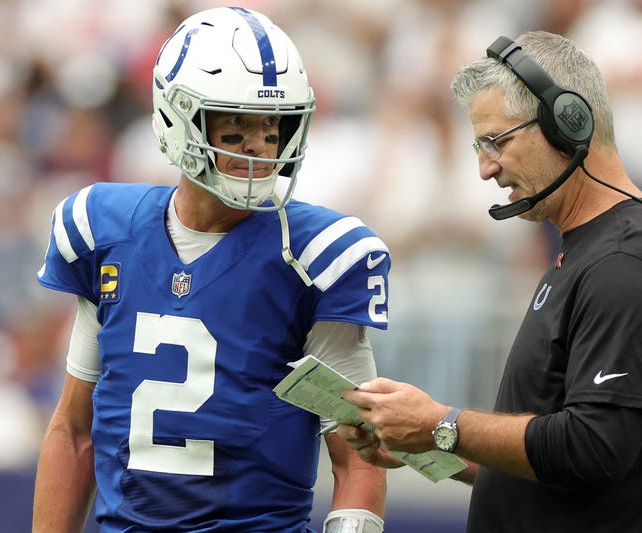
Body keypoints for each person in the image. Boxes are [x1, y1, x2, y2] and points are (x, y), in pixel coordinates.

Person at [31, 7, 389, 533]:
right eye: (236, 122)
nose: (259, 145)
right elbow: (75, 430)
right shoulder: (106, 232)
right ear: (178, 116)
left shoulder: (313, 256)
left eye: (273, 124)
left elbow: (357, 454)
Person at [337, 30, 642, 532]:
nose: (486, 169)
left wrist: (440, 423)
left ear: (567, 123)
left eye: (497, 141)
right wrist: (424, 443)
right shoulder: (590, 250)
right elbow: (551, 464)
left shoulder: (627, 265)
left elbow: (593, 449)